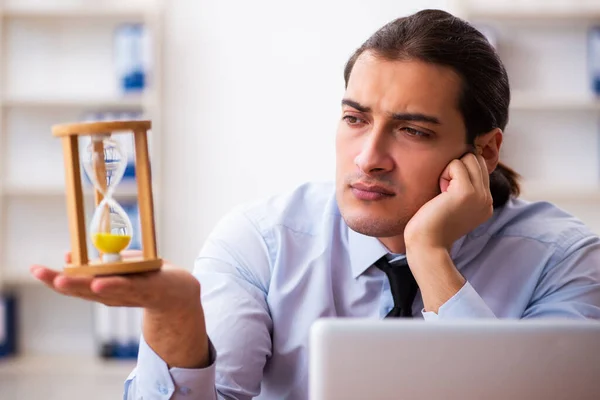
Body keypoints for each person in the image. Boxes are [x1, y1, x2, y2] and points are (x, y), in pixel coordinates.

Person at [31, 8, 600, 400]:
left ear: (485, 150)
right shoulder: (263, 240)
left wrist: (430, 255)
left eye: (413, 131)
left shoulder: (563, 259)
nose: (368, 158)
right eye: (355, 119)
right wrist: (175, 317)